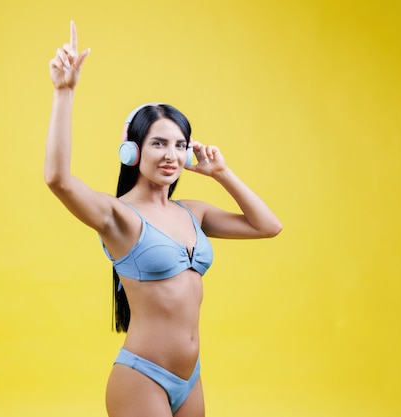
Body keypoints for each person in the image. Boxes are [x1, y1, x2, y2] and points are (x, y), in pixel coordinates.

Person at [45, 21, 282, 417]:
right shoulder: (119, 216)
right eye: (158, 143)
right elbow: (58, 179)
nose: (171, 154)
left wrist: (222, 173)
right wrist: (64, 92)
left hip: (191, 379)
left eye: (179, 145)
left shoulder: (193, 212)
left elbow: (267, 226)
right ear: (132, 151)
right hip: (142, 378)